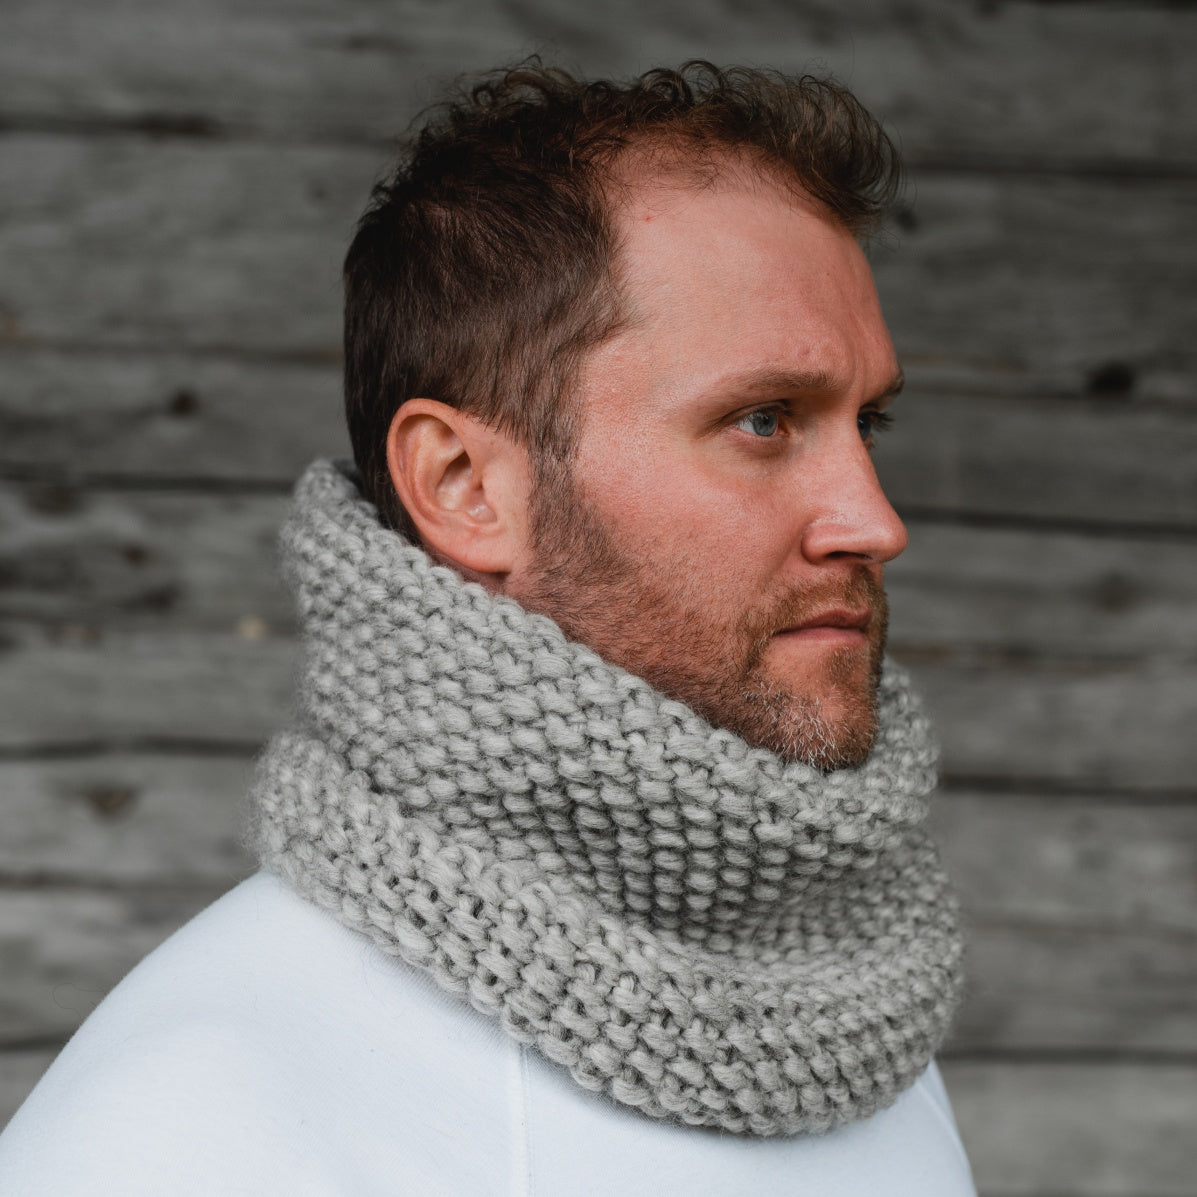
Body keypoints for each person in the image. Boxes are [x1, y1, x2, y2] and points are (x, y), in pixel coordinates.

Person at [0, 62, 976, 1194]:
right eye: (764, 420)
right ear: (463, 485)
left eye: (867, 424)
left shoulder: (856, 1015)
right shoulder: (197, 1123)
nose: (876, 522)